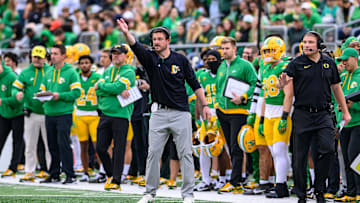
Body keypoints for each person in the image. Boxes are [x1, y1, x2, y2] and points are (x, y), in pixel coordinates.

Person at [117, 18, 211, 203]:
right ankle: (149, 193)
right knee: (153, 153)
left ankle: (188, 194)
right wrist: (126, 33)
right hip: (158, 113)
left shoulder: (180, 60)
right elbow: (135, 46)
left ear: (168, 41)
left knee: (185, 153)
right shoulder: (150, 58)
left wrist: (205, 105)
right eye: (154, 39)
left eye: (160, 38)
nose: (156, 42)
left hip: (181, 113)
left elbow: (195, 83)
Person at [278, 31, 351, 203]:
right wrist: (282, 85)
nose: (306, 45)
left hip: (324, 113)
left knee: (328, 150)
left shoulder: (329, 63)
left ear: (319, 45)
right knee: (299, 157)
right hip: (302, 114)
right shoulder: (296, 63)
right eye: (304, 42)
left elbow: (336, 87)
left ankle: (319, 190)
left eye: (310, 42)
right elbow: (284, 84)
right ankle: (302, 194)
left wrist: (345, 111)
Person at [215, 37, 257, 193]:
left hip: (238, 112)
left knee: (235, 147)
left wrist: (244, 97)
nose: (224, 51)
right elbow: (219, 88)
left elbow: (255, 84)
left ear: (234, 49)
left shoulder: (245, 65)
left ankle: (235, 181)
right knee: (228, 147)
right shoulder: (221, 67)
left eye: (227, 48)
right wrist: (217, 106)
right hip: (223, 112)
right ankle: (235, 178)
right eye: (222, 48)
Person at [94, 44, 136, 191]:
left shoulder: (129, 71)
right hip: (105, 113)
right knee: (100, 147)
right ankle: (111, 174)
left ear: (125, 55)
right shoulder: (108, 70)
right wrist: (111, 89)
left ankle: (116, 180)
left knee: (119, 148)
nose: (115, 56)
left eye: (119, 53)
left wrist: (103, 86)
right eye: (113, 53)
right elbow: (98, 92)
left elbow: (116, 88)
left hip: (121, 114)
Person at [39, 44, 81, 184]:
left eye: (56, 53)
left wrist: (59, 95)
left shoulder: (71, 72)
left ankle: (70, 174)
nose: (53, 56)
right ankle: (54, 173)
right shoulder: (48, 72)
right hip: (49, 112)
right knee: (52, 145)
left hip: (64, 112)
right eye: (52, 53)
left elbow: (77, 93)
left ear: (64, 56)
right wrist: (41, 96)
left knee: (63, 144)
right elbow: (43, 89)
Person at [257, 36, 292, 198]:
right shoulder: (265, 67)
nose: (268, 54)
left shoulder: (285, 67)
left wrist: (285, 116)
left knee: (279, 150)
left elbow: (288, 94)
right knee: (273, 151)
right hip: (269, 113)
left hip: (280, 112)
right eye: (266, 51)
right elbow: (264, 95)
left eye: (271, 50)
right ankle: (281, 181)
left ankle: (281, 185)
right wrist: (262, 118)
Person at [13, 46, 51, 182]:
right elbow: (16, 87)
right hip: (31, 112)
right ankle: (30, 171)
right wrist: (17, 93)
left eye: (39, 57)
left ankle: (49, 170)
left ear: (45, 58)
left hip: (48, 112)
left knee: (49, 144)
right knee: (30, 144)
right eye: (34, 56)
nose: (36, 59)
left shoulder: (50, 71)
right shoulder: (25, 72)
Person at [335, 48, 360, 202]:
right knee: (345, 158)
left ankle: (359, 191)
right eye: (342, 60)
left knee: (354, 157)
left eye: (346, 59)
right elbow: (335, 96)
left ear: (355, 58)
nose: (343, 62)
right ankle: (350, 192)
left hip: (358, 122)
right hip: (344, 123)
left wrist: (353, 106)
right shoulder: (343, 76)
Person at [74, 55, 102, 182]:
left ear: (91, 64)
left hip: (94, 114)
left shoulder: (97, 77)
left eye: (87, 63)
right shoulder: (75, 77)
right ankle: (86, 171)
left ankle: (102, 171)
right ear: (79, 65)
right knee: (83, 145)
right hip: (80, 114)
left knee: (98, 145)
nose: (84, 65)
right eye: (82, 63)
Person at [0, 56, 24, 178]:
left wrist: (3, 101)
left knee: (17, 140)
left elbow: (18, 100)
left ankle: (13, 167)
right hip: (3, 113)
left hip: (17, 113)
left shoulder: (11, 76)